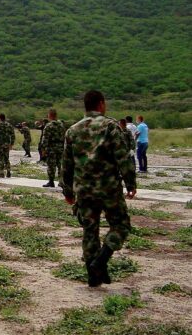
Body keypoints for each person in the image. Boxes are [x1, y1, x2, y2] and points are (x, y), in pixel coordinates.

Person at [61, 90, 136, 287]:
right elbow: (123, 157)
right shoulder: (110, 126)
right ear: (101, 104)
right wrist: (130, 183)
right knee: (120, 225)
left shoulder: (72, 130)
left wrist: (67, 191)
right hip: (108, 188)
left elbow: (66, 165)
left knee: (90, 229)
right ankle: (101, 260)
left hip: (84, 190)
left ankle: (93, 275)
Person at [42, 109, 66, 188]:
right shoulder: (61, 125)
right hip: (60, 147)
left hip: (51, 148)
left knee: (51, 165)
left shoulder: (48, 126)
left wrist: (43, 150)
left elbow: (45, 139)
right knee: (60, 165)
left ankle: (51, 181)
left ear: (50, 115)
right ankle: (61, 182)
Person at [0, 113, 15, 178]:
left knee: (0, 159)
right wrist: (11, 144)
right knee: (6, 158)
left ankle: (1, 173)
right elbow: (13, 135)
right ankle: (8, 172)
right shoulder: (9, 125)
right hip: (7, 144)